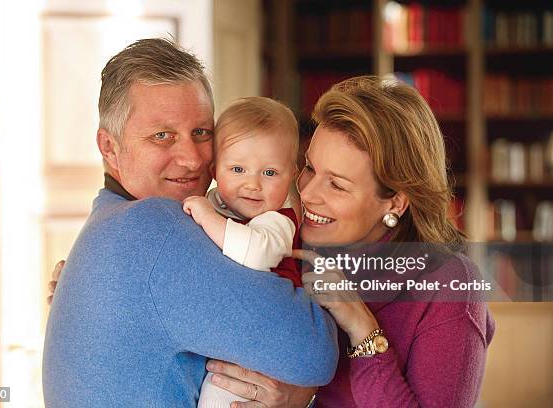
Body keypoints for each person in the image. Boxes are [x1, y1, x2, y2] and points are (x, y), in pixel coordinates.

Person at [42, 38, 338, 408]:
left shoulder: (108, 224)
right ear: (109, 147)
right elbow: (315, 350)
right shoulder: (153, 228)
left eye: (201, 133)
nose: (193, 159)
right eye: (162, 136)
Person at [203, 76, 495, 407]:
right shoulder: (291, 245)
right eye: (310, 168)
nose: (308, 193)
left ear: (395, 202)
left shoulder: (449, 285)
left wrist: (363, 330)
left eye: (337, 185)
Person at [182, 97, 302, 407]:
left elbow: (256, 253)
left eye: (270, 173)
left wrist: (207, 216)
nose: (252, 184)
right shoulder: (214, 203)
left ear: (292, 175)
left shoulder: (278, 222)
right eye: (238, 168)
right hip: (229, 336)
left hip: (265, 350)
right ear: (215, 170)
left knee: (220, 397)